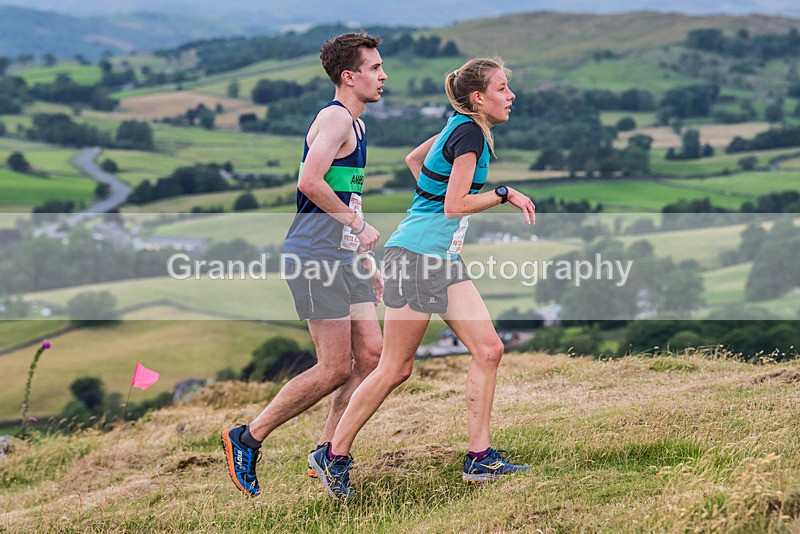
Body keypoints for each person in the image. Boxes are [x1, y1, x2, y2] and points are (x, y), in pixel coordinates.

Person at [309, 57, 536, 499]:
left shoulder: (461, 125)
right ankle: (332, 454)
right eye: (503, 89)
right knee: (395, 368)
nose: (511, 96)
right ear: (479, 97)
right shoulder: (469, 133)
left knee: (489, 349)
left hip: (438, 258)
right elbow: (454, 206)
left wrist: (431, 205)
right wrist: (503, 194)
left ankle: (479, 457)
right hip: (415, 258)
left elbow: (416, 160)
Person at [221, 32, 387, 498]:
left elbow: (344, 194)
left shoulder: (357, 126)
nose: (383, 75)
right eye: (374, 68)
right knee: (335, 367)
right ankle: (247, 438)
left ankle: (327, 452)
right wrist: (357, 223)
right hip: (314, 257)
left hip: (342, 254)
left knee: (372, 355)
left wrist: (363, 254)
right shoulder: (333, 120)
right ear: (348, 76)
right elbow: (309, 181)